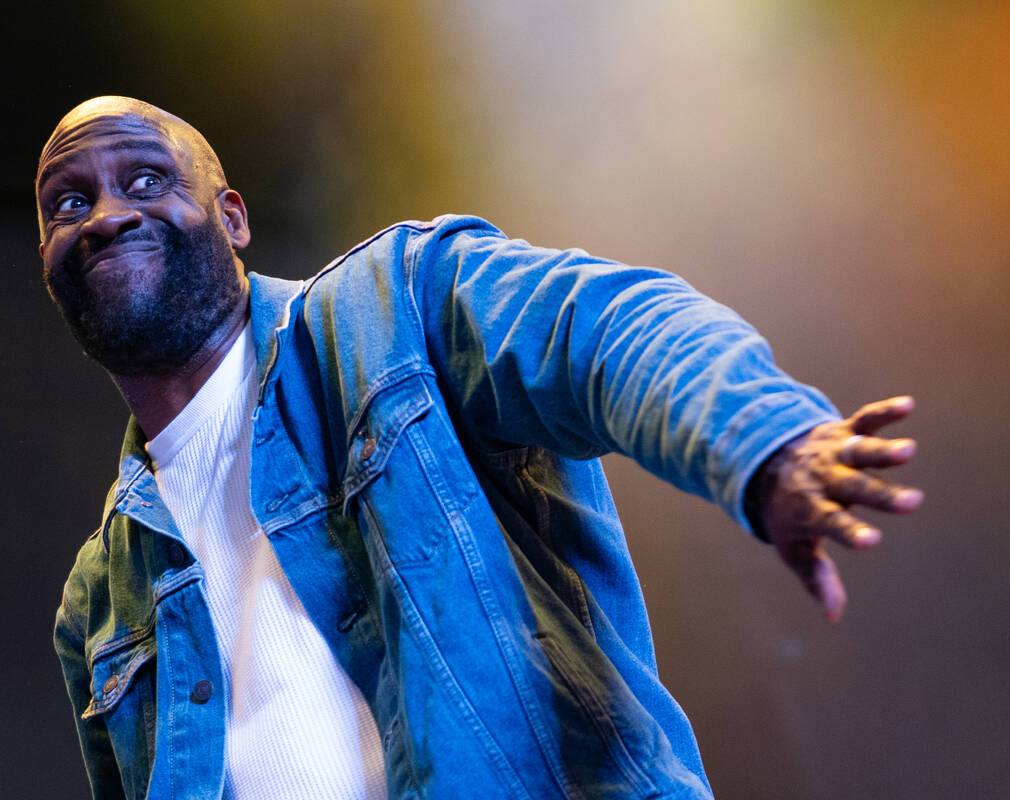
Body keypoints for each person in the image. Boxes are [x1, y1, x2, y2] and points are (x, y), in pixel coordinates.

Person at [40, 95, 922, 800]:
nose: (109, 215)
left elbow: (606, 328)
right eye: (69, 202)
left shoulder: (394, 308)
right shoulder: (97, 601)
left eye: (148, 180)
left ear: (231, 218)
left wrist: (763, 444)